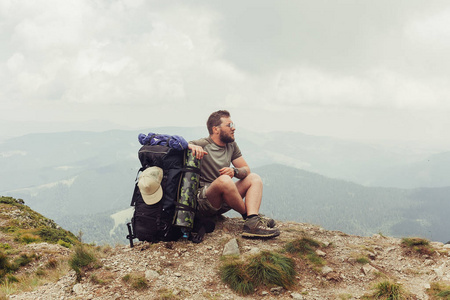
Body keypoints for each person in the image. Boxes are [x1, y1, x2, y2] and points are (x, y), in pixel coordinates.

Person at [188, 110, 280, 239]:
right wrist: (191, 146)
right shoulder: (203, 144)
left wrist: (235, 171)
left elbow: (246, 169)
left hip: (225, 199)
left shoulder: (231, 146)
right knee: (224, 180)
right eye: (229, 125)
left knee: (254, 178)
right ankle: (250, 219)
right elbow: (179, 145)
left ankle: (252, 218)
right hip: (205, 201)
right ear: (216, 129)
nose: (234, 128)